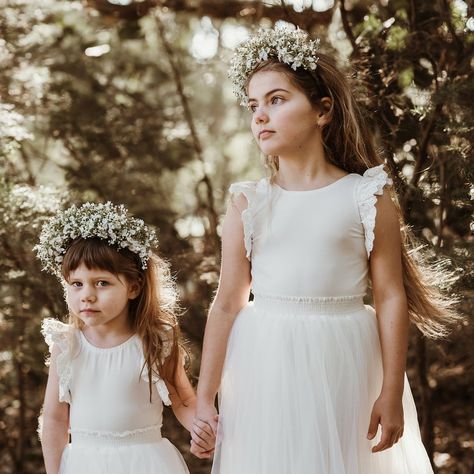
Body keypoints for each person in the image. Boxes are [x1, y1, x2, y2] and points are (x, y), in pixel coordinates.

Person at [192, 27, 455, 473]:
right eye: (254, 105)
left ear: (322, 111)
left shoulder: (366, 195)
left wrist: (391, 390)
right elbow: (227, 303)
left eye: (276, 100)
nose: (260, 116)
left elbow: (390, 295)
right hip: (266, 359)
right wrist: (204, 397)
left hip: (346, 357)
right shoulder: (248, 202)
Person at [37, 202, 215, 474]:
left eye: (102, 283)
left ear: (133, 287)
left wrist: (200, 429)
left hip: (145, 463)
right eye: (77, 284)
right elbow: (54, 419)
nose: (87, 294)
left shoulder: (154, 342)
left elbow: (183, 401)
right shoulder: (67, 345)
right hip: (85, 464)